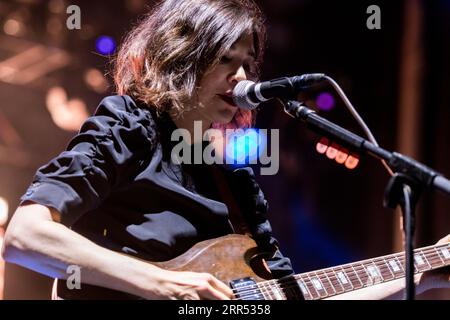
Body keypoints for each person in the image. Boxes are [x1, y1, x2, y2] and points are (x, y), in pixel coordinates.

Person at [1, 0, 449, 300]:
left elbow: (291, 295)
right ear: (182, 57)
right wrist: (163, 284)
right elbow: (24, 238)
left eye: (247, 64)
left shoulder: (233, 180)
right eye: (224, 61)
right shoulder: (128, 126)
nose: (241, 78)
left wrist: (421, 273)